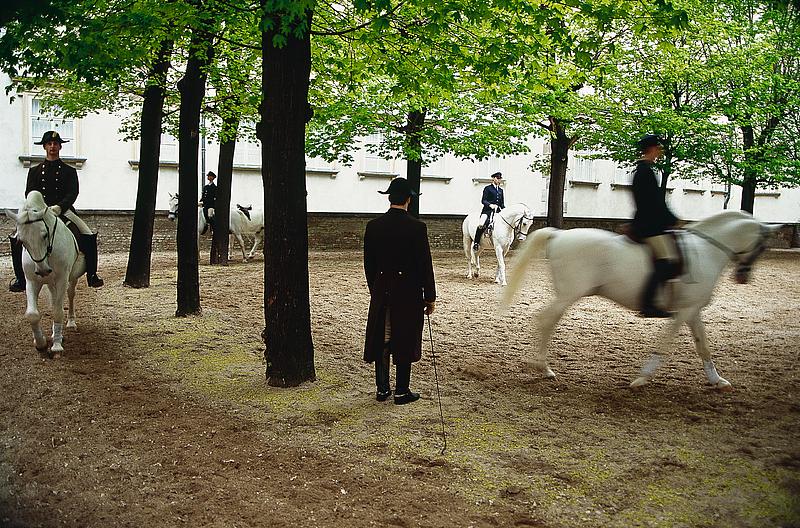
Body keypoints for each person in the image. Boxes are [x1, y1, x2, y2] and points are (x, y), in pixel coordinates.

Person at [363, 178, 436, 405]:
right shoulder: (417, 227)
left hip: (382, 288)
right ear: (408, 199)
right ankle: (402, 390)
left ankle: (382, 388)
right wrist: (430, 296)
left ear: (389, 197)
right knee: (404, 335)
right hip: (408, 291)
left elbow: (369, 264)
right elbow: (425, 264)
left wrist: (375, 288)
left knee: (383, 336)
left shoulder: (373, 226)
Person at [9, 130, 104, 292]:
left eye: (55, 144)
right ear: (45, 147)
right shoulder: (34, 171)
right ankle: (20, 278)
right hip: (40, 213)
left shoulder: (69, 171)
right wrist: (39, 209)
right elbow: (29, 193)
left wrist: (60, 207)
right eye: (49, 144)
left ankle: (92, 275)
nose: (52, 146)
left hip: (63, 211)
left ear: (60, 147)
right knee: (16, 237)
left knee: (88, 234)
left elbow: (73, 193)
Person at [631, 134, 679, 318]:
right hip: (649, 225)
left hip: (648, 221)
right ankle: (649, 304)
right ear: (651, 149)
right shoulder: (645, 171)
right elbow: (654, 202)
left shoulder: (644, 170)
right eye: (658, 148)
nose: (659, 151)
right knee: (665, 261)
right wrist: (672, 219)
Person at [473, 171, 505, 250]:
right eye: (498, 178)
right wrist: (490, 205)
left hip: (498, 211)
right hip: (487, 211)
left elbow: (502, 204)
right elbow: (483, 200)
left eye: (500, 179)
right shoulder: (487, 188)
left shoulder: (501, 190)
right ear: (493, 179)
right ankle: (476, 242)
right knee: (482, 223)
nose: (499, 180)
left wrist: (504, 210)